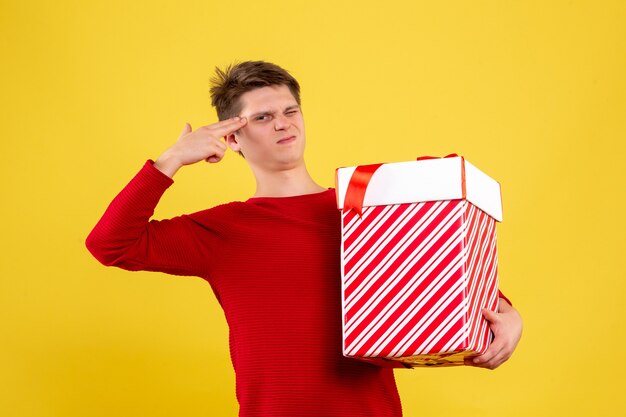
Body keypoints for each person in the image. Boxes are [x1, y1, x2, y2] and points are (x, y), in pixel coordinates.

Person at [85, 60, 523, 417]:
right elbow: (110, 244)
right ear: (232, 138)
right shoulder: (221, 231)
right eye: (262, 117)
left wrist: (509, 314)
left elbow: (448, 273)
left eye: (289, 111)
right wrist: (172, 160)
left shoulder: (364, 210)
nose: (282, 124)